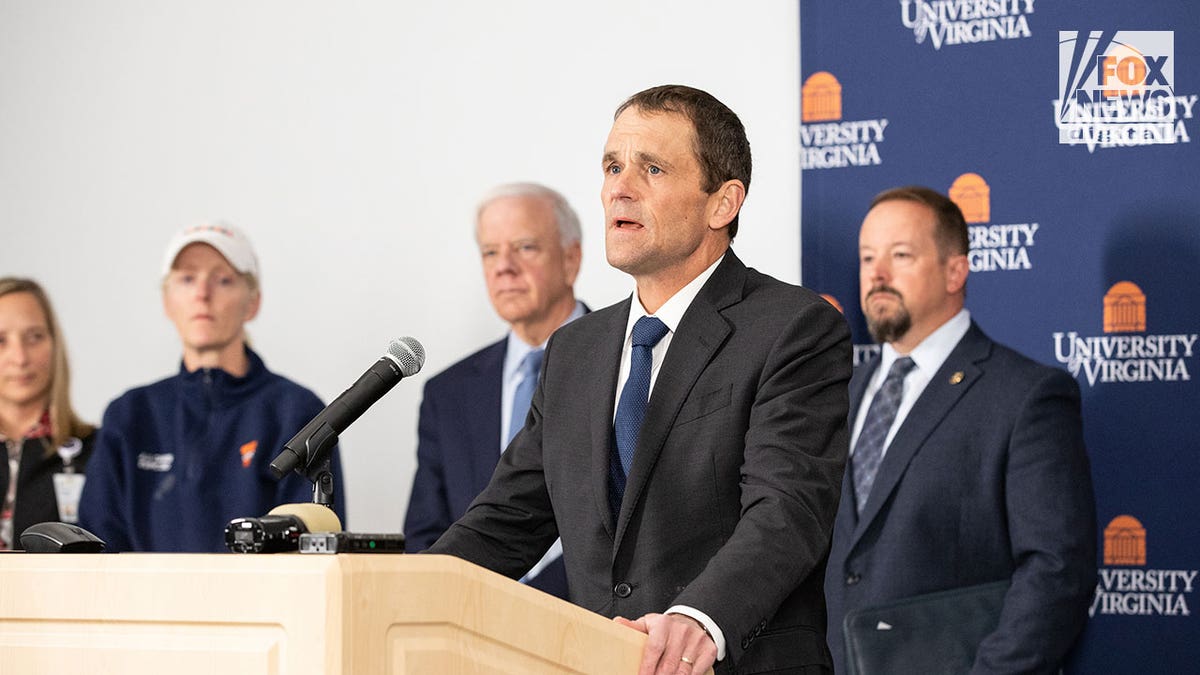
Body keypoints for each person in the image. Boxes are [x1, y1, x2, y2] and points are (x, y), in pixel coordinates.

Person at [428, 85, 851, 675]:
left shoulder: (794, 329)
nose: (619, 189)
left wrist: (698, 618)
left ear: (722, 204)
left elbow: (786, 512)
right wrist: (405, 593)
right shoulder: (575, 349)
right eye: (612, 166)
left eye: (652, 168)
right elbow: (507, 521)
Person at [823, 187, 1096, 673]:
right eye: (867, 258)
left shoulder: (1026, 396)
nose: (877, 275)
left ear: (956, 270)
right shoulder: (838, 393)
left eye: (900, 255)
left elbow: (1057, 573)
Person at [78, 223, 346, 552]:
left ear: (253, 302)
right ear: (167, 301)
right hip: (141, 605)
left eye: (223, 280)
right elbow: (95, 552)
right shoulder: (130, 415)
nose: (202, 294)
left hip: (262, 604)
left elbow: (311, 547)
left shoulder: (297, 411)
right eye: (187, 278)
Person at [404, 182, 586, 599]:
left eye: (524, 247)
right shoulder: (447, 394)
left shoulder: (629, 363)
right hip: (471, 630)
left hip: (594, 629)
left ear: (571, 259)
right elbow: (425, 533)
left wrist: (526, 606)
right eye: (490, 252)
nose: (504, 267)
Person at [0, 278, 96, 550]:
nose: (20, 357)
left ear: (55, 345)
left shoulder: (99, 452)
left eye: (34, 337)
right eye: (1, 340)